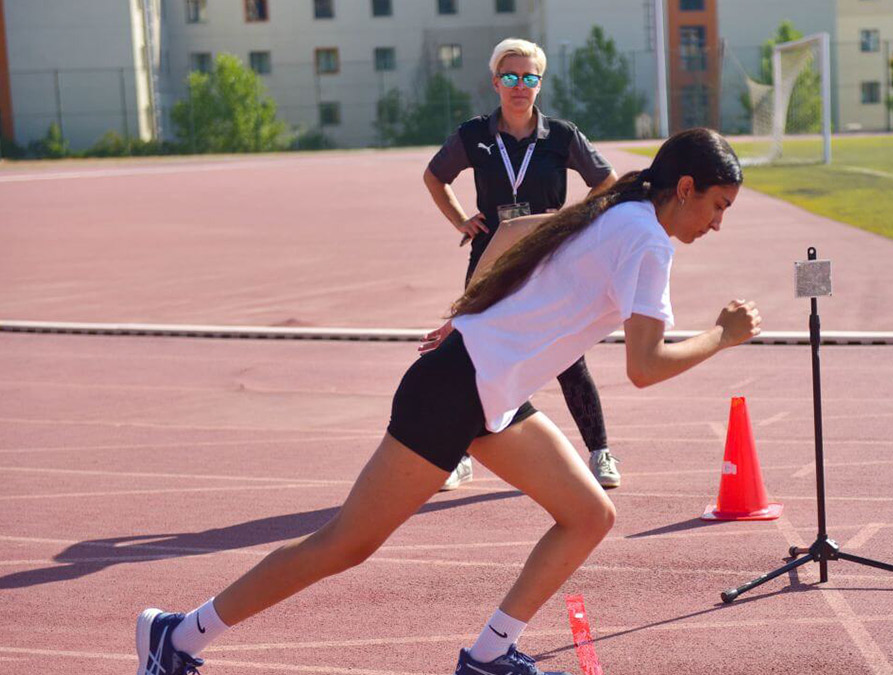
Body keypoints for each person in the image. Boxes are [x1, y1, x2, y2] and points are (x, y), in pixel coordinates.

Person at [135, 127, 759, 675]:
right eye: (718, 206)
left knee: (589, 515)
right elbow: (645, 368)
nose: (718, 223)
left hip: (490, 390)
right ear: (683, 187)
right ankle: (178, 635)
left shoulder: (616, 207)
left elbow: (511, 231)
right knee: (344, 545)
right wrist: (722, 337)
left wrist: (465, 315)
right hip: (456, 390)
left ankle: (490, 653)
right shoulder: (648, 242)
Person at [424, 38, 624, 491]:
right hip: (491, 257)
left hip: (548, 257)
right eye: (511, 77)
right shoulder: (474, 135)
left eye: (529, 78)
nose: (520, 86)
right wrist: (460, 218)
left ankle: (600, 452)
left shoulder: (562, 136)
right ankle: (458, 456)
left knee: (568, 357)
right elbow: (435, 176)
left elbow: (607, 182)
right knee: (474, 353)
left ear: (540, 84)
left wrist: (572, 222)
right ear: (495, 83)